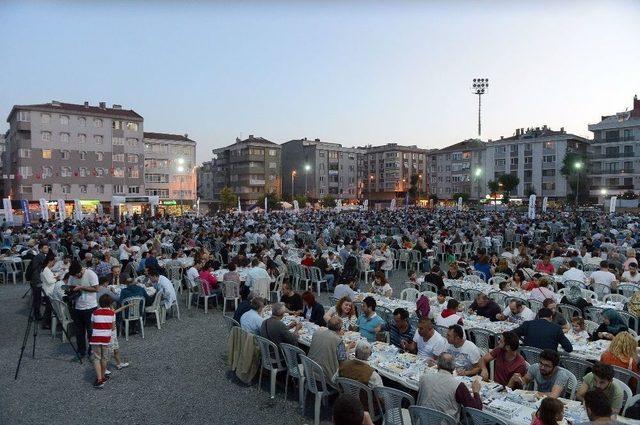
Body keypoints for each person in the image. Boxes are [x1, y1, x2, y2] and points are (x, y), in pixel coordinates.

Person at [416, 353, 483, 422]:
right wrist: (476, 392)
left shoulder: (424, 378)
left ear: (438, 365)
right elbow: (475, 411)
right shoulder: (458, 385)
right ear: (454, 367)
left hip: (421, 420)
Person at [509, 349, 573, 398]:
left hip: (554, 404)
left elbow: (553, 395)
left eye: (547, 366)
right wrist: (517, 379)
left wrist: (532, 393)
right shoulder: (535, 367)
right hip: (538, 400)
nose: (542, 367)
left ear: (555, 367)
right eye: (541, 363)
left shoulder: (561, 374)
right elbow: (525, 381)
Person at [69, 260, 99, 358]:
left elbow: (96, 289)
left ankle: (92, 351)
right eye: (74, 276)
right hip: (77, 306)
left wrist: (82, 287)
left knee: (91, 331)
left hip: (90, 306)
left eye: (77, 275)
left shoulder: (90, 274)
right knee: (79, 331)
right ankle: (81, 350)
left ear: (81, 270)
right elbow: (70, 286)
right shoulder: (72, 275)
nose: (76, 277)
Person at [308, 317, 351, 384]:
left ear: (327, 325)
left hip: (309, 371)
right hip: (325, 378)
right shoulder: (338, 340)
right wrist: (349, 348)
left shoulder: (317, 332)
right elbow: (343, 362)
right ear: (340, 329)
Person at [89, 294, 116, 388]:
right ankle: (103, 376)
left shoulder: (94, 312)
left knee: (97, 358)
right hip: (106, 338)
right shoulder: (112, 313)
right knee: (104, 358)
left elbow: (92, 326)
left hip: (96, 338)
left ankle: (99, 379)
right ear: (110, 303)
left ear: (99, 303)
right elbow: (113, 328)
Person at [29, 242, 49, 321]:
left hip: (36, 279)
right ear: (40, 249)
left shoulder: (40, 256)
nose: (47, 249)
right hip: (36, 280)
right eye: (45, 248)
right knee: (37, 298)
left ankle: (37, 314)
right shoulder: (40, 256)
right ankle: (36, 315)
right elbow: (48, 265)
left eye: (47, 247)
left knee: (38, 298)